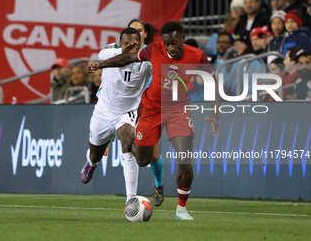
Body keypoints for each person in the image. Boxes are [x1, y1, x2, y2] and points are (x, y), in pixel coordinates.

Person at [87, 21, 220, 220]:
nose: (170, 48)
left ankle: (181, 210)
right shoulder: (153, 50)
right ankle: (114, 151)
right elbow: (127, 58)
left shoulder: (196, 55)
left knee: (185, 160)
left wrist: (215, 114)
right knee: (142, 160)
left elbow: (212, 82)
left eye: (174, 43)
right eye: (167, 44)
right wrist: (100, 65)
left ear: (183, 39)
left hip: (178, 110)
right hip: (151, 109)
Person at [80, 28, 153, 205]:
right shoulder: (109, 51)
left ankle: (131, 200)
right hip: (103, 112)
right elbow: (101, 53)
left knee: (128, 141)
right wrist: (123, 50)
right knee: (96, 155)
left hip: (127, 113)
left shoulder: (146, 61)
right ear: (119, 43)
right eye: (126, 43)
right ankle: (91, 161)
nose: (130, 46)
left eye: (134, 43)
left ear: (141, 44)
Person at [127, 19, 164, 206]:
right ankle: (130, 194)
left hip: (149, 107)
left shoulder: (152, 53)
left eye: (139, 30)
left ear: (145, 34)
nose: (135, 33)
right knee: (127, 140)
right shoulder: (119, 53)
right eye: (132, 30)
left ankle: (159, 184)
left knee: (154, 156)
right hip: (126, 108)